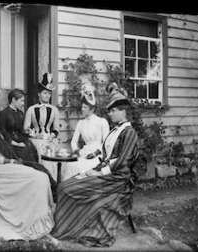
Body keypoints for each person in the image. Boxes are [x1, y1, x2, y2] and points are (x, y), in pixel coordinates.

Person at [51, 83, 140, 247]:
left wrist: (99, 173)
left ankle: (69, 229)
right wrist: (92, 170)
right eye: (110, 111)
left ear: (123, 111)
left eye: (113, 111)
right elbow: (107, 157)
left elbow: (122, 161)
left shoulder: (129, 132)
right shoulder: (116, 130)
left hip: (118, 180)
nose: (110, 114)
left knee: (68, 188)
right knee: (66, 185)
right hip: (107, 174)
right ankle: (66, 225)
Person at [0, 91, 57, 244]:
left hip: (4, 165)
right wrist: (7, 162)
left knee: (41, 175)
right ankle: (30, 221)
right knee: (36, 178)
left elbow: (6, 145)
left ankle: (38, 218)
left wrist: (13, 156)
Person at [61, 84, 110, 180]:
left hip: (98, 154)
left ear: (92, 109)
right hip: (84, 152)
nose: (82, 109)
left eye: (85, 107)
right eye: (82, 107)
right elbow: (74, 141)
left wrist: (95, 153)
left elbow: (106, 142)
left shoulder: (102, 122)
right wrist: (77, 151)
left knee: (82, 167)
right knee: (71, 165)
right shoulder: (81, 123)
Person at [0, 88, 39, 162]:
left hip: (22, 141)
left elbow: (22, 131)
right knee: (24, 153)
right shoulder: (3, 114)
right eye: (21, 101)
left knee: (35, 151)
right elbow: (2, 134)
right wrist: (16, 144)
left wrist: (28, 131)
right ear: (13, 100)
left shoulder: (21, 114)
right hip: (9, 144)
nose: (23, 103)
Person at [24, 72, 60, 139]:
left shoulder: (54, 110)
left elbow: (56, 128)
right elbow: (26, 129)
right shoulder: (31, 109)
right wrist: (35, 135)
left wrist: (51, 136)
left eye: (49, 94)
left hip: (49, 140)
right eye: (45, 93)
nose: (47, 96)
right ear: (39, 94)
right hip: (35, 139)